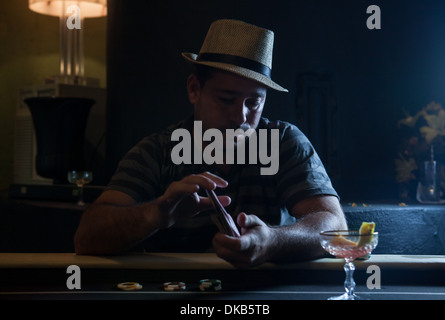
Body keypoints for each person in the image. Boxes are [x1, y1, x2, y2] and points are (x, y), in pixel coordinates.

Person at [74, 19, 347, 268]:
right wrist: (157, 213)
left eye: (254, 102)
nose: (241, 116)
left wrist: (271, 242)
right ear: (194, 89)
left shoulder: (283, 142)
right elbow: (87, 237)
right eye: (226, 99)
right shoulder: (156, 152)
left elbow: (335, 227)